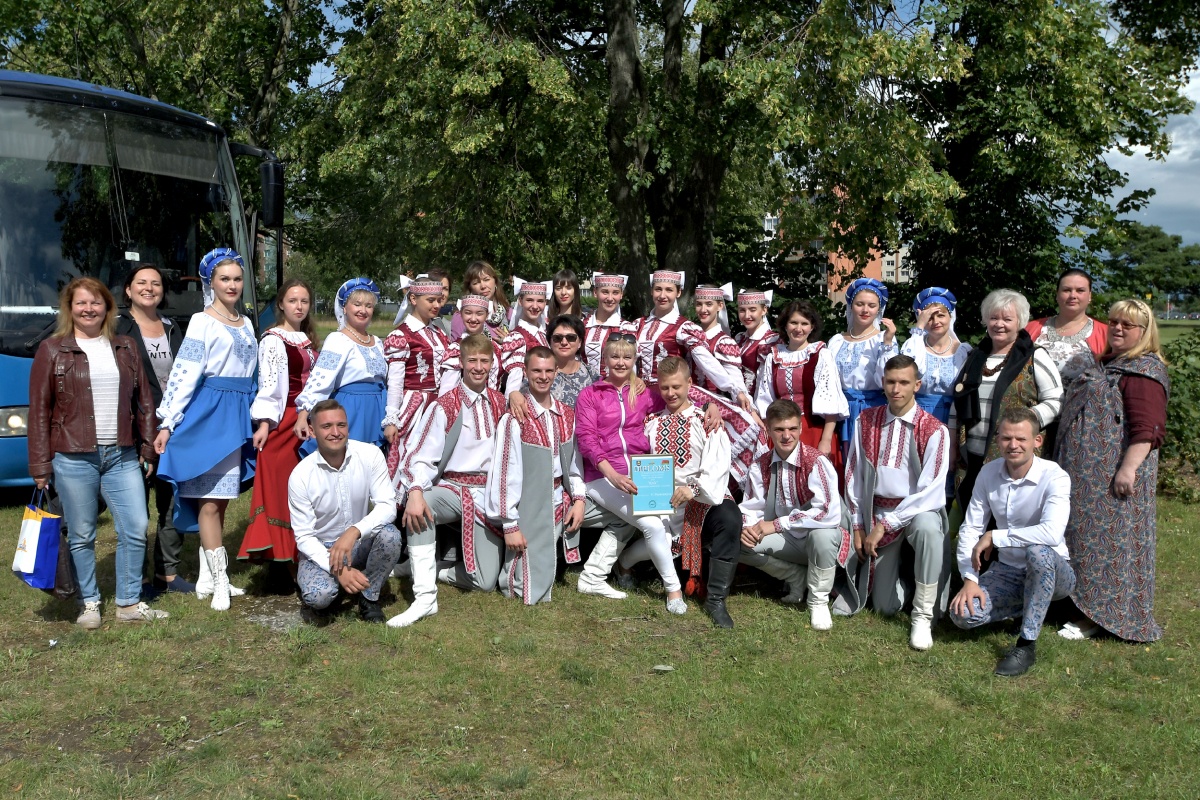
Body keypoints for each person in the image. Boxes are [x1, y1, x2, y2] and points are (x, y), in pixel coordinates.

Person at [28, 277, 167, 627]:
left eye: (96, 302)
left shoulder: (125, 346)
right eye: (81, 303)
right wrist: (40, 464)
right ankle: (89, 603)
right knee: (82, 534)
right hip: (73, 457)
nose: (88, 309)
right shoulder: (51, 350)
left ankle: (128, 603)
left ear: (107, 307)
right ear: (70, 308)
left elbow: (145, 401)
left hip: (122, 456)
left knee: (136, 526)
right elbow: (39, 411)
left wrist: (148, 447)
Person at [1055, 299, 1169, 643]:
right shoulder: (1109, 363)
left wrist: (1127, 470)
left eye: (1127, 325)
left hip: (1114, 477)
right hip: (1087, 478)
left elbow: (1148, 430)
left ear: (1144, 332)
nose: (1117, 328)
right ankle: (1080, 603)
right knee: (1084, 541)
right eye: (1114, 322)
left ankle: (1103, 614)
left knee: (1111, 546)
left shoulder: (1143, 371)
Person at [155, 248, 257, 612]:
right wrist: (168, 420)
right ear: (210, 283)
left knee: (221, 499)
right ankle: (220, 582)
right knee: (210, 502)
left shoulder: (246, 323)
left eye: (237, 279)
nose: (232, 285)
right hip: (212, 413)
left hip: (237, 412)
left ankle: (206, 577)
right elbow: (185, 372)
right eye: (224, 279)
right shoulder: (202, 321)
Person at [611, 358, 744, 626]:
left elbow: (717, 466)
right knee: (657, 534)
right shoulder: (650, 422)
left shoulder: (705, 420)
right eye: (665, 387)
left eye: (677, 387)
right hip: (663, 500)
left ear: (689, 384)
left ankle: (716, 600)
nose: (671, 393)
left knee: (730, 518)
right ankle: (624, 562)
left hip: (702, 498)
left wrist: (692, 489)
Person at [391, 334, 509, 627]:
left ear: (492, 364)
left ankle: (428, 568)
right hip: (453, 489)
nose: (478, 367)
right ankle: (424, 597)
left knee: (484, 582)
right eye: (473, 361)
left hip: (488, 496)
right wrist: (415, 491)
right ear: (462, 363)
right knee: (422, 506)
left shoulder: (500, 403)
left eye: (484, 361)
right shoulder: (445, 404)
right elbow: (420, 454)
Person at [950, 408, 1075, 677]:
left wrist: (996, 536)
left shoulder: (1055, 476)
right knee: (962, 615)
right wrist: (969, 579)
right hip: (1007, 570)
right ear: (998, 440)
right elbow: (971, 527)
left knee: (1038, 552)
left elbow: (1052, 533)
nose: (1013, 445)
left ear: (1037, 441)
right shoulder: (988, 473)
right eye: (1006, 438)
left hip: (1053, 571)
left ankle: (1026, 644)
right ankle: (1029, 607)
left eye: (1021, 439)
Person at [574, 336, 688, 614]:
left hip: (640, 473)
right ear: (605, 360)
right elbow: (587, 440)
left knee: (665, 530)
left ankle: (617, 566)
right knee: (652, 526)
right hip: (601, 476)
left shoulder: (643, 393)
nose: (621, 362)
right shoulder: (591, 394)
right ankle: (673, 591)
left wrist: (710, 408)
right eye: (615, 356)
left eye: (627, 357)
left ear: (635, 360)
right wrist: (612, 475)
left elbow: (678, 397)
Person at [844, 355, 951, 650]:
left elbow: (931, 491)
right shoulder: (866, 420)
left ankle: (922, 616)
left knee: (928, 528)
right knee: (884, 606)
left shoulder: (934, 429)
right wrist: (858, 525)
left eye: (904, 382)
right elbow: (854, 474)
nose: (896, 389)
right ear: (882, 382)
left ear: (917, 385)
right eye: (891, 382)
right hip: (877, 511)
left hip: (917, 511)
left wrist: (886, 525)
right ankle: (907, 579)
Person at [635, 271, 764, 487]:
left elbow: (710, 365)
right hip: (643, 393)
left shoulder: (685, 327)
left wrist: (737, 392)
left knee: (737, 427)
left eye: (669, 290)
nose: (663, 295)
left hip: (675, 392)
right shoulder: (638, 324)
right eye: (658, 289)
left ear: (678, 293)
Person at [484, 347, 587, 604]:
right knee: (526, 587)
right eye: (537, 371)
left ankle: (593, 574)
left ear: (556, 372)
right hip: (530, 501)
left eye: (549, 370)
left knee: (618, 514)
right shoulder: (514, 418)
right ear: (526, 373)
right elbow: (505, 472)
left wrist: (579, 500)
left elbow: (574, 465)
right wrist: (510, 524)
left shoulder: (567, 414)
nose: (543, 376)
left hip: (561, 497)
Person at [738, 399, 850, 631]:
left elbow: (827, 513)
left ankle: (818, 600)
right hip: (789, 542)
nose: (786, 436)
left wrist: (777, 524)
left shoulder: (816, 461)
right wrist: (747, 527)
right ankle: (795, 576)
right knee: (737, 542)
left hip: (821, 542)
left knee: (822, 535)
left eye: (792, 428)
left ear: (800, 428)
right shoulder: (760, 464)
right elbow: (751, 506)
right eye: (779, 429)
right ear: (769, 430)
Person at [288, 400, 403, 623]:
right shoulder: (300, 475)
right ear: (312, 431)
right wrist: (339, 570)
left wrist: (354, 531)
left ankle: (369, 597)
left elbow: (387, 506)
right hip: (322, 548)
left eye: (341, 425)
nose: (335, 432)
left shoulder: (370, 455)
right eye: (326, 426)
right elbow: (304, 537)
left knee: (390, 536)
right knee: (319, 597)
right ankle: (339, 583)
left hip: (358, 541)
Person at [952, 289, 1063, 510]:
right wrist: (952, 444)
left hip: (1015, 457)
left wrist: (1026, 419)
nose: (999, 324)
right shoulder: (974, 357)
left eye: (1007, 319)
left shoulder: (1034, 356)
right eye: (994, 318)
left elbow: (1056, 400)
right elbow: (958, 401)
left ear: (1020, 322)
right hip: (971, 456)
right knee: (975, 515)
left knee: (1010, 515)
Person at [115, 264, 188, 595]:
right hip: (135, 426)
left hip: (174, 425)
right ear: (128, 290)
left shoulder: (173, 328)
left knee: (172, 498)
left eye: (156, 283)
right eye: (141, 283)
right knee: (136, 505)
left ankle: (166, 573)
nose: (149, 288)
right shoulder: (117, 327)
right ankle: (138, 578)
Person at [241, 279, 319, 569]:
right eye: (293, 301)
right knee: (283, 488)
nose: (299, 307)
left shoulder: (308, 339)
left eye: (304, 301)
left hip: (307, 419)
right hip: (284, 420)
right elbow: (269, 385)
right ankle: (282, 557)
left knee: (307, 490)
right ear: (281, 305)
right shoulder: (274, 339)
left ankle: (304, 554)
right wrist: (264, 424)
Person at [294, 278, 388, 457]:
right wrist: (303, 414)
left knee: (372, 463)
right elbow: (321, 379)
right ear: (345, 307)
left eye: (368, 306)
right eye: (357, 304)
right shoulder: (338, 340)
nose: (363, 310)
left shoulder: (377, 342)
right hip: (352, 410)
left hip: (377, 410)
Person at [753, 299, 847, 465]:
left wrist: (826, 440)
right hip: (781, 433)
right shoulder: (773, 358)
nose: (798, 328)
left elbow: (832, 402)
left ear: (812, 327)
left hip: (814, 431)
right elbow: (765, 401)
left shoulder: (821, 355)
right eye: (793, 323)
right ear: (785, 325)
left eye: (804, 323)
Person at [383, 276, 451, 476]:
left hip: (436, 403)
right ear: (413, 299)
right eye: (430, 300)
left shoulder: (438, 333)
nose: (436, 305)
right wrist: (392, 418)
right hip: (414, 405)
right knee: (408, 456)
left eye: (439, 300)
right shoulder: (402, 335)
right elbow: (395, 381)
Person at [828, 278, 898, 461]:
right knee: (841, 461)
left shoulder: (883, 339)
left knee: (868, 462)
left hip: (871, 409)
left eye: (871, 305)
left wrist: (888, 343)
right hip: (840, 410)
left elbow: (886, 379)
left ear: (879, 309)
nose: (865, 310)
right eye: (860, 304)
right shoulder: (836, 340)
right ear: (851, 306)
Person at [1026, 269, 1109, 386]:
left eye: (1080, 290)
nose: (1073, 295)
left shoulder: (1107, 334)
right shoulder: (1031, 328)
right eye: (1066, 290)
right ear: (1057, 295)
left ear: (1090, 296)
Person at [901, 287, 972, 425]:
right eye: (929, 318)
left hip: (952, 416)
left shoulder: (963, 351)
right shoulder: (915, 346)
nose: (935, 322)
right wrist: (919, 327)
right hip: (918, 416)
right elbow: (909, 372)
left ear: (950, 317)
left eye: (941, 315)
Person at [499, 278, 552, 403]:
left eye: (540, 301)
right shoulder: (516, 337)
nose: (535, 306)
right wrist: (512, 402)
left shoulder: (545, 333)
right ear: (520, 301)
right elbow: (514, 382)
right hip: (527, 402)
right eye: (529, 300)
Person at [440, 294, 502, 394]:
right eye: (468, 313)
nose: (473, 319)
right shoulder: (456, 349)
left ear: (487, 315)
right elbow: (447, 390)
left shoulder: (496, 347)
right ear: (461, 314)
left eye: (479, 314)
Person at [582, 272, 638, 377]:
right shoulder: (582, 325)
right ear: (595, 292)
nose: (610, 298)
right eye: (605, 292)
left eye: (615, 293)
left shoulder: (626, 328)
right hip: (584, 385)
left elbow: (631, 366)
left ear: (621, 295)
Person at [543, 314, 598, 406]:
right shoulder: (541, 373)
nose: (564, 342)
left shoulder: (591, 374)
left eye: (571, 338)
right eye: (557, 338)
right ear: (550, 342)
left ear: (579, 342)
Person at [734, 288, 780, 396]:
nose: (747, 315)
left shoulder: (771, 341)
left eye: (752, 310)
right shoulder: (740, 338)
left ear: (764, 310)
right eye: (742, 310)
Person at [450, 260, 510, 340]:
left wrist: (509, 342)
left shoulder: (509, 313)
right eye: (476, 283)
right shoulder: (461, 317)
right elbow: (457, 346)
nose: (483, 286)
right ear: (470, 288)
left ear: (495, 282)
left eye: (486, 279)